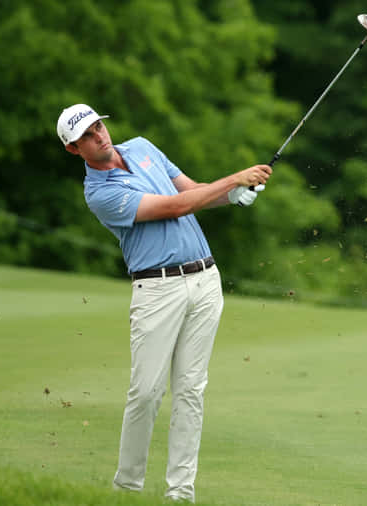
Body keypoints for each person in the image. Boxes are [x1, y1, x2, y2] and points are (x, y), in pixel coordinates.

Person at [57, 103, 271, 502]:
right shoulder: (100, 193)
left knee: (191, 390)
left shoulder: (141, 147)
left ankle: (180, 493)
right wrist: (234, 177)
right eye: (85, 136)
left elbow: (190, 192)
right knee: (146, 392)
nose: (98, 136)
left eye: (97, 126)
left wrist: (235, 194)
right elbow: (174, 207)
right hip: (158, 291)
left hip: (205, 280)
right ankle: (127, 489)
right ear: (74, 150)